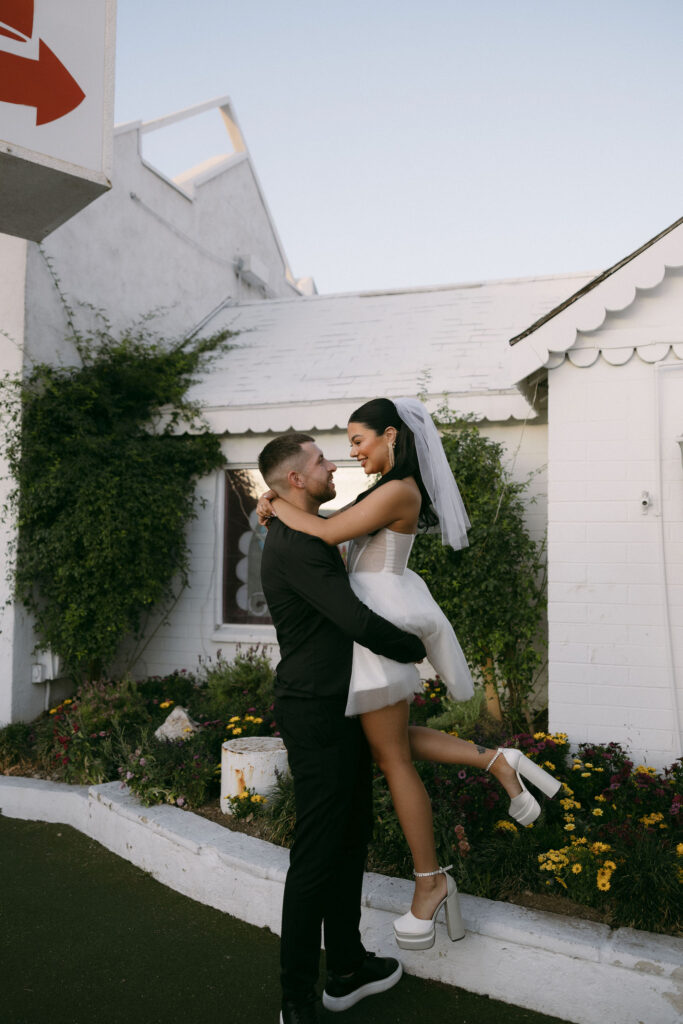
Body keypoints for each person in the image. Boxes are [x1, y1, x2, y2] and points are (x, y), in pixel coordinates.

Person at [257, 398, 561, 954]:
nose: (351, 453)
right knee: (389, 746)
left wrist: (275, 500)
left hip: (378, 620)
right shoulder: (381, 490)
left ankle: (431, 883)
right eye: (342, 447)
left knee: (392, 756)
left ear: (391, 436)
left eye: (358, 441)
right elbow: (331, 525)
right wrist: (278, 500)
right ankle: (497, 761)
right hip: (374, 615)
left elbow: (325, 535)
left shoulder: (400, 490)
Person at [258, 431, 429, 1024]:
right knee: (316, 854)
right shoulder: (294, 545)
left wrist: (270, 501)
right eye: (321, 461)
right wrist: (418, 648)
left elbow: (345, 522)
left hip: (345, 702)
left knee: (350, 837)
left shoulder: (306, 522)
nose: (334, 465)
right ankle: (296, 999)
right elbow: (353, 617)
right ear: (298, 480)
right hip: (315, 709)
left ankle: (349, 969)